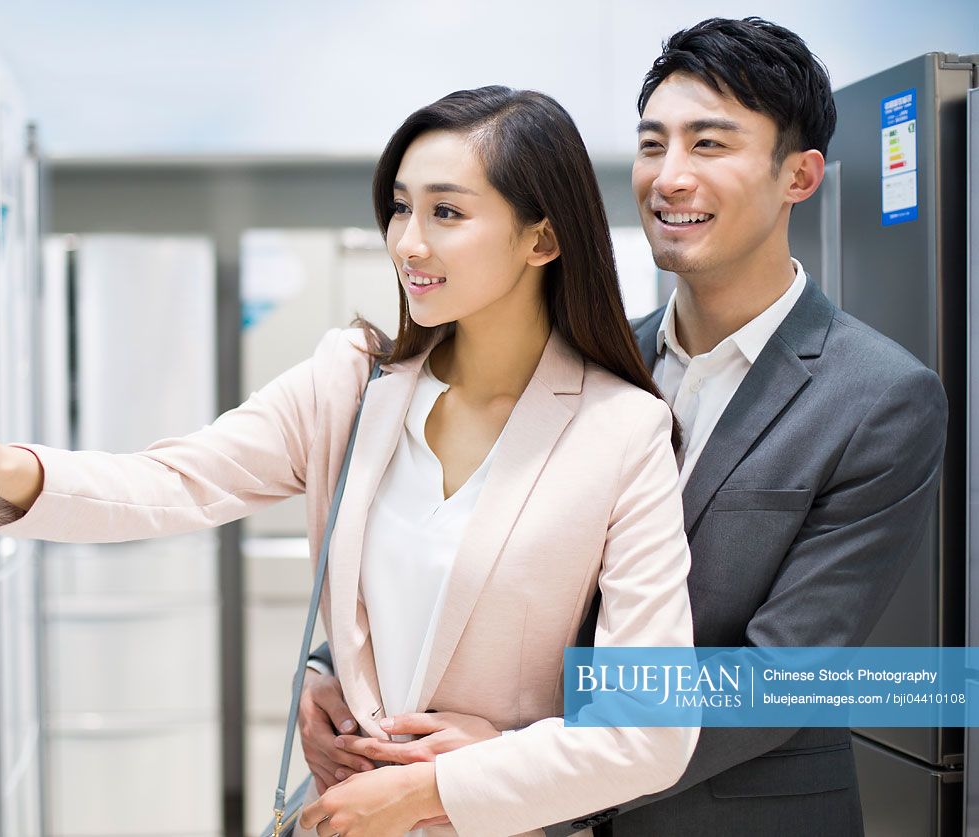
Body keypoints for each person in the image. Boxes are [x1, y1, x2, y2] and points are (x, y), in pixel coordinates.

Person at [0, 86, 698, 835]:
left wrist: (432, 785)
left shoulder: (619, 432)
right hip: (338, 817)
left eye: (447, 213)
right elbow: (175, 482)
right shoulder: (352, 383)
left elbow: (648, 730)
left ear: (541, 238)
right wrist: (1, 465)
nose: (408, 241)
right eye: (400, 207)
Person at [301, 18, 949, 837]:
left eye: (709, 145)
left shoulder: (881, 398)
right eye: (652, 145)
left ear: (800, 176)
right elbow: (451, 536)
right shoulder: (582, 361)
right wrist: (333, 666)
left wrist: (514, 753)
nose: (668, 177)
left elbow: (785, 674)